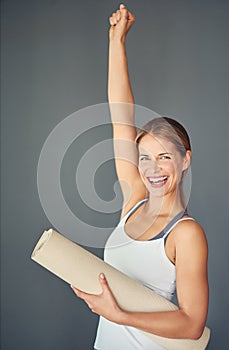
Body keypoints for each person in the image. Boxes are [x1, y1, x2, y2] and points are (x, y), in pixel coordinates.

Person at [71, 4, 209, 350]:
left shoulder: (186, 233)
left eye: (164, 157)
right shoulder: (133, 199)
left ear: (185, 160)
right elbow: (121, 116)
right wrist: (116, 42)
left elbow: (192, 324)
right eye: (145, 157)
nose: (151, 168)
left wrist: (119, 315)